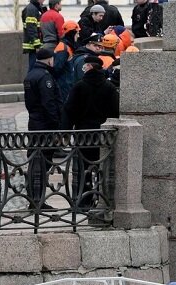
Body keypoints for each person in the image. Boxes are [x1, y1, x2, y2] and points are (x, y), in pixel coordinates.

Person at [63, 53, 119, 210]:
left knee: (83, 168)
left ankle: (83, 201)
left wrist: (66, 132)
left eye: (85, 66)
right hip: (103, 134)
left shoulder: (79, 86)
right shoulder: (109, 87)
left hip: (84, 134)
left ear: (89, 67)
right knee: (103, 168)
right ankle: (102, 199)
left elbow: (69, 110)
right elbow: (115, 111)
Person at [23, 47, 62, 208]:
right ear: (49, 59)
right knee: (43, 161)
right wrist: (56, 125)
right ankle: (38, 200)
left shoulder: (30, 75)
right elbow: (49, 103)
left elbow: (29, 102)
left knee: (34, 159)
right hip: (45, 125)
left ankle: (33, 198)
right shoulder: (45, 77)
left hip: (34, 122)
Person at [22, 0, 45, 69]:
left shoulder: (35, 8)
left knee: (35, 67)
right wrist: (37, 44)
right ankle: (30, 80)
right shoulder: (31, 9)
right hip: (33, 45)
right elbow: (31, 28)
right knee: (33, 68)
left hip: (34, 44)